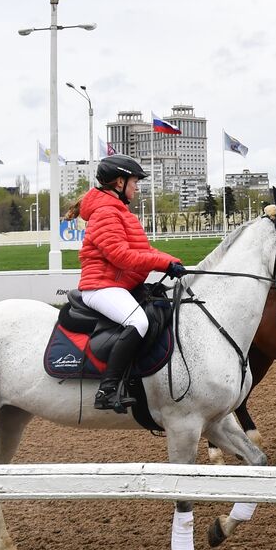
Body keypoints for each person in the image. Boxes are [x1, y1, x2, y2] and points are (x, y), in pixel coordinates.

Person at [72, 154, 187, 412]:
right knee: (139, 321)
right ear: (119, 182)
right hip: (101, 287)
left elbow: (143, 249)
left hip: (117, 285)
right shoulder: (105, 213)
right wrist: (163, 264)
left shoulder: (118, 212)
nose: (136, 187)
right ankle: (107, 390)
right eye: (134, 182)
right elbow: (120, 256)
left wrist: (172, 261)